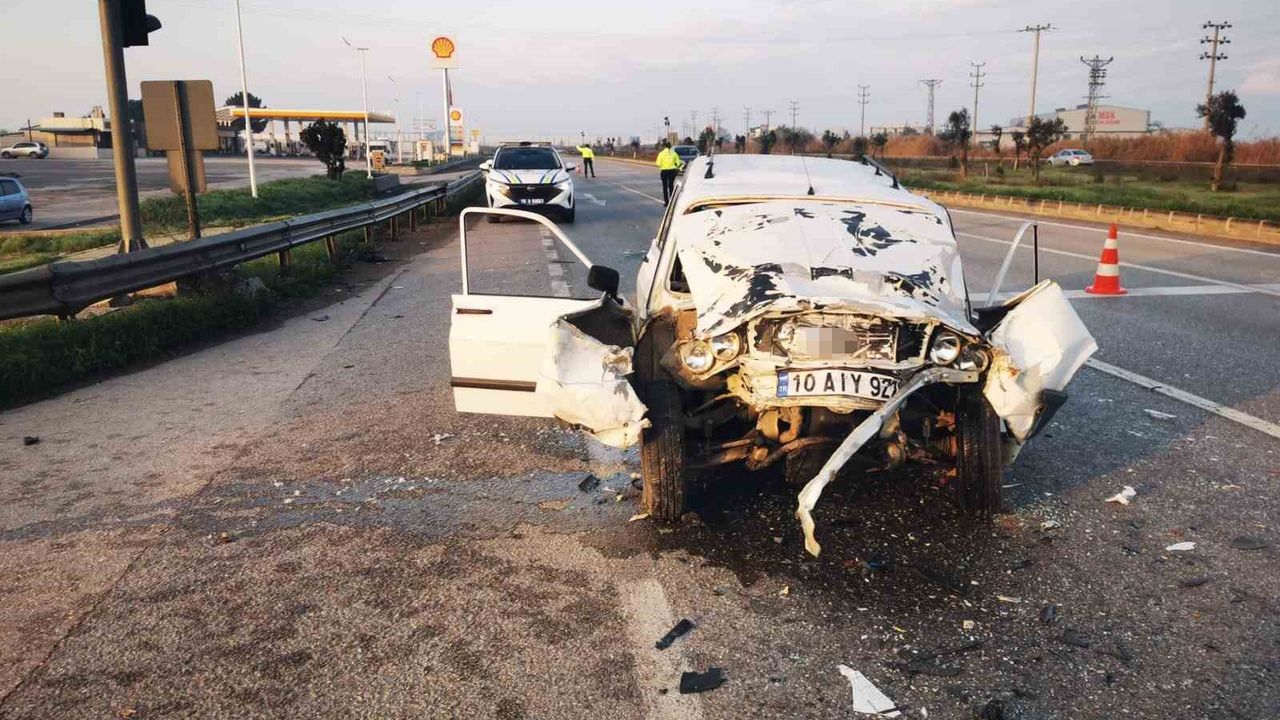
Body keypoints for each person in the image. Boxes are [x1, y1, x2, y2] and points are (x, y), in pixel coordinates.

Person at [655, 140, 684, 205]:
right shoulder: (674, 153)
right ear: (670, 146)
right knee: (671, 185)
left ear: (664, 146)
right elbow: (678, 163)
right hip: (672, 171)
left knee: (665, 187)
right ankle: (672, 201)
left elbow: (658, 164)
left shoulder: (661, 154)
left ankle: (666, 202)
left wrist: (663, 165)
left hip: (664, 171)